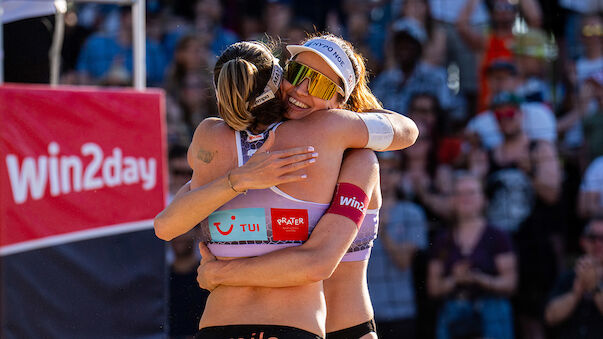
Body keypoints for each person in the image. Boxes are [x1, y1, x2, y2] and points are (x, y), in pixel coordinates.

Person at [154, 36, 418, 338]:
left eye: (319, 86)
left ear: (340, 102)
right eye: (297, 75)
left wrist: (223, 272)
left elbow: (317, 263)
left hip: (333, 326)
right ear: (278, 75)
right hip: (298, 324)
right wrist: (241, 180)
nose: (302, 90)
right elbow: (166, 224)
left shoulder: (347, 146)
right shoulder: (304, 140)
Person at [427, 172, 517, 339]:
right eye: (459, 193)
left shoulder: (498, 236)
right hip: (453, 314)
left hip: (493, 313)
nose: (465, 198)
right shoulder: (442, 240)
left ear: (484, 199)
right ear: (452, 200)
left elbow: (510, 283)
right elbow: (433, 288)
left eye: (471, 192)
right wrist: (455, 280)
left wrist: (478, 278)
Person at [544, 218, 603, 339]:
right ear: (583, 241)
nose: (598, 243)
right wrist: (576, 293)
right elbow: (549, 317)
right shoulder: (568, 277)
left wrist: (594, 288)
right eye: (592, 237)